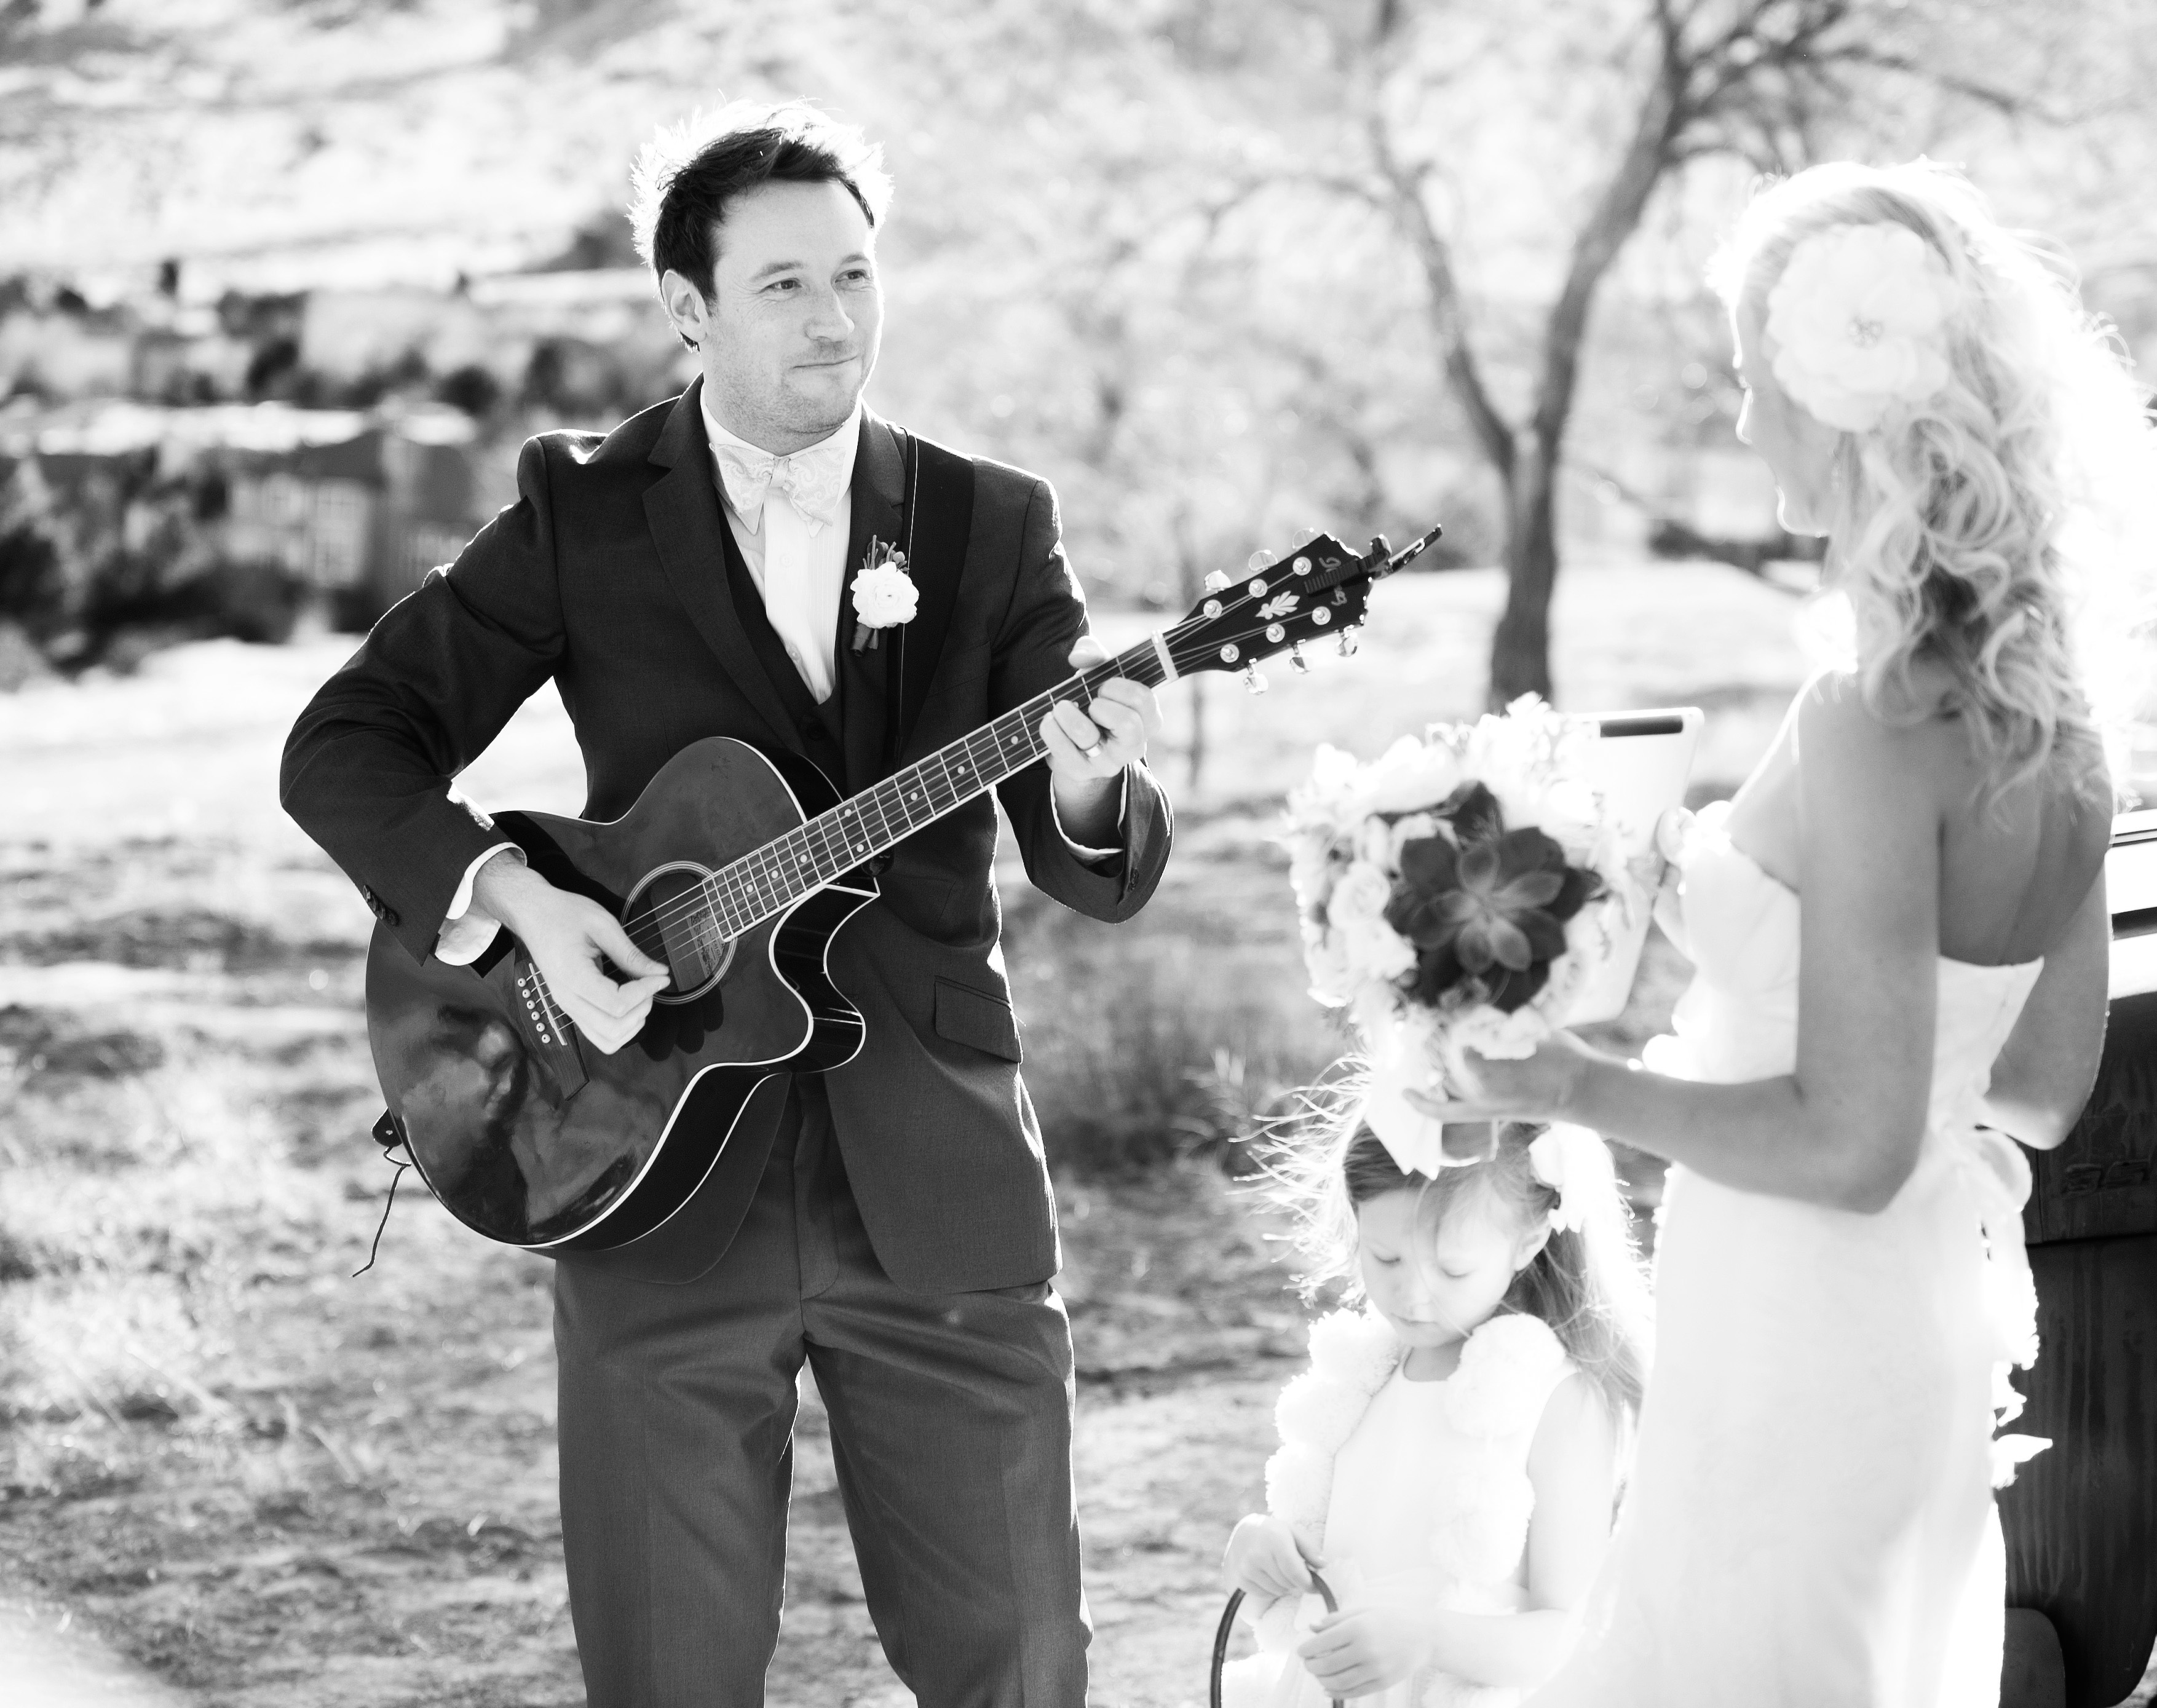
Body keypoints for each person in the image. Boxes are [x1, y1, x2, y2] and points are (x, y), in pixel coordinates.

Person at [280, 102, 1174, 1707]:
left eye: (854, 275)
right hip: (641, 1162)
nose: (834, 319)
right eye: (783, 285)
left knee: (1022, 1670)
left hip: (936, 1175)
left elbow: (1076, 850)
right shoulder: (581, 515)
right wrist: (517, 901)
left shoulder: (988, 520)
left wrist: (1096, 783)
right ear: (686, 309)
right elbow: (346, 746)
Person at [1412, 160, 2157, 1706]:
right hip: (1905, 1326)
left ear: (1837, 401)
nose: (1737, 422)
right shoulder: (2058, 723)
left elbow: (1850, 1142)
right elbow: (2036, 1087)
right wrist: (1712, 911)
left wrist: (1570, 1085)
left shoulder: (1870, 720)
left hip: (1801, 1331)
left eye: (1745, 380)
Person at [1218, 1112, 1648, 1707]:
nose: (1412, 1295)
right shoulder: (1362, 1378)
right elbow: (1334, 1543)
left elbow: (1570, 1634)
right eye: (1385, 1258)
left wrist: (1425, 1638)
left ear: (1528, 1242)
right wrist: (1259, 1545)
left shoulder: (1557, 1399)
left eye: (1452, 1269)